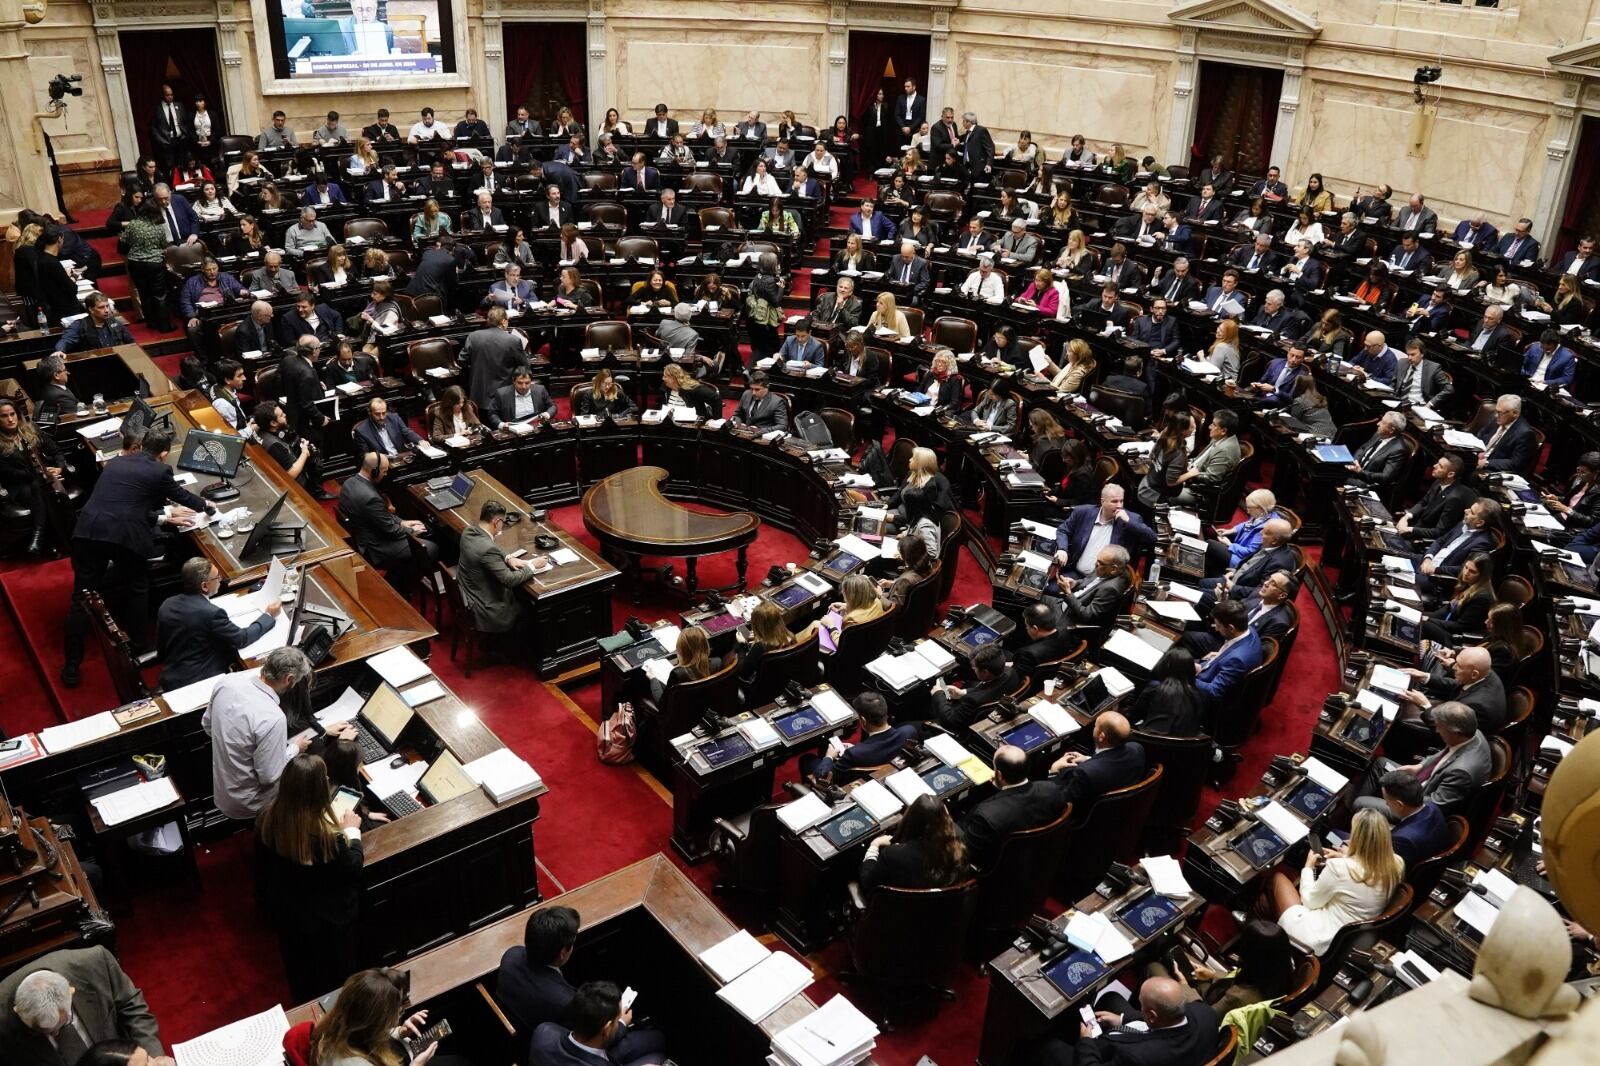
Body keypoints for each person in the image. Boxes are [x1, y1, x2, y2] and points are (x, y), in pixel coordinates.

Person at [60, 427, 215, 684]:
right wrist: (207, 506)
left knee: (81, 597)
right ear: (163, 455)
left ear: (142, 446)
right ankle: (140, 646)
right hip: (123, 537)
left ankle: (71, 667)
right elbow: (181, 496)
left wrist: (163, 517)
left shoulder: (116, 462)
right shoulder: (159, 470)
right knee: (137, 587)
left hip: (87, 530)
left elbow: (123, 503)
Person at [255, 754, 364, 1000]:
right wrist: (352, 832)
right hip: (327, 923)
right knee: (335, 980)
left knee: (302, 974)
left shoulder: (267, 818)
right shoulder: (326, 838)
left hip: (289, 916)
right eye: (324, 778)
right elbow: (352, 868)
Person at [498, 908, 667, 1065]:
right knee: (657, 1048)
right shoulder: (565, 1002)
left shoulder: (511, 956)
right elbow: (589, 1032)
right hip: (586, 1049)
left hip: (543, 1043)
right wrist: (621, 1023)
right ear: (563, 953)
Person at [0, 948, 169, 1066]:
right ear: (17, 1010)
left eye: (61, 1025)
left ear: (71, 992)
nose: (55, 1034)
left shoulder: (96, 962)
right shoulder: (2, 1016)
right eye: (44, 1031)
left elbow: (132, 1006)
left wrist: (152, 1059)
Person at [1268, 808, 1403, 956]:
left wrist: (1308, 867)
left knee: (1277, 879)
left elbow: (1310, 901)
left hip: (1321, 937)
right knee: (1269, 899)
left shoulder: (1340, 868)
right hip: (1352, 937)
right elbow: (1367, 869)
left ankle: (1265, 937)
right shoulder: (1397, 863)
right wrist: (1346, 857)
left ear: (1358, 839)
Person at [202, 646, 315, 822]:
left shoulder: (228, 682)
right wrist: (294, 748)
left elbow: (207, 725)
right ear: (289, 679)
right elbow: (269, 776)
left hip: (222, 789)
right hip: (251, 803)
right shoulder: (273, 718)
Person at [156, 558, 279, 690]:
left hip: (170, 677)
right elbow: (242, 638)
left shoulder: (167, 604)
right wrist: (268, 615)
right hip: (198, 683)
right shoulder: (211, 613)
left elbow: (161, 651)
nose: (220, 580)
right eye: (216, 577)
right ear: (204, 586)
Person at [956, 745, 1067, 873]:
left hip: (999, 874)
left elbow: (965, 853)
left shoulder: (986, 816)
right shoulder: (1052, 790)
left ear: (998, 774)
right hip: (1041, 862)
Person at [309, 968, 446, 1066]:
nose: (400, 1009)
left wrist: (399, 1032)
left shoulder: (339, 1029)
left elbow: (366, 1038)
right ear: (375, 1021)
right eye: (397, 1006)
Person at [341, 450, 439, 580]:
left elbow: (379, 515)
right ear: (374, 472)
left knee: (423, 535)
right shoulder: (370, 497)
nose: (385, 474)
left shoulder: (349, 482)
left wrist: (401, 522)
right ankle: (399, 582)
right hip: (375, 547)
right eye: (384, 471)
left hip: (367, 533)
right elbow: (391, 531)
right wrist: (411, 531)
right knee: (430, 548)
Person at [798, 691, 919, 790]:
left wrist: (829, 757)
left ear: (863, 720)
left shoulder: (854, 754)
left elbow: (824, 776)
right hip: (887, 780)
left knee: (806, 759)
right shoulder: (909, 732)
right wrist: (857, 748)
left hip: (853, 785)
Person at [530, 980, 665, 1066]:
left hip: (593, 1053)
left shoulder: (544, 1032)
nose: (619, 1023)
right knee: (657, 1058)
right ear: (606, 1029)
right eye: (617, 1021)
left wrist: (622, 1023)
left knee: (657, 1039)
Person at [860, 794, 965, 894]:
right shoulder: (959, 842)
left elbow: (867, 884)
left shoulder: (892, 855)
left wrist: (874, 846)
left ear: (911, 819)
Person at [1049, 711, 1146, 813]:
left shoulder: (1085, 773)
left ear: (1101, 736)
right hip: (1125, 808)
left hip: (1088, 817)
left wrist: (1054, 771)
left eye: (1095, 726)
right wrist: (1089, 759)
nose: (1094, 728)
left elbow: (1060, 801)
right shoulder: (1137, 748)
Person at [1053, 484, 1157, 576]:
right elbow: (1063, 530)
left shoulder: (1131, 519)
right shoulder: (1083, 512)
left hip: (1104, 580)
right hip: (1074, 572)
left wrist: (1128, 522)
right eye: (1114, 501)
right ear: (1103, 501)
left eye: (1121, 501)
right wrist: (1062, 549)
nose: (1119, 506)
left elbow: (1152, 538)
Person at [930, 643, 1020, 730]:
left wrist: (937, 694)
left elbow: (950, 721)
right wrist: (963, 692)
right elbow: (990, 689)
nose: (974, 670)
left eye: (974, 668)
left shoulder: (972, 700)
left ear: (985, 672)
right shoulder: (1011, 672)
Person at [1370, 769, 1449, 866]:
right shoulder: (1433, 807)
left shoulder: (1402, 839)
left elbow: (1383, 868)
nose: (1386, 803)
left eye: (1387, 800)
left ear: (1400, 805)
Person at [1195, 600, 1264, 705]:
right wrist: (1219, 655)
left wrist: (1186, 676)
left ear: (1231, 628)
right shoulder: (1249, 630)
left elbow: (1214, 692)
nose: (1216, 629)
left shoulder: (1238, 660)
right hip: (1209, 667)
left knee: (1161, 680)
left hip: (1202, 694)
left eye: (1218, 625)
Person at [801, 573, 887, 655]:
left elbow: (841, 644)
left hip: (849, 653)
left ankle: (793, 646)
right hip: (869, 642)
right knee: (817, 623)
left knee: (816, 625)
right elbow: (865, 608)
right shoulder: (877, 601)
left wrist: (831, 626)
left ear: (851, 596)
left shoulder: (852, 619)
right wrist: (846, 606)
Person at [1173, 410, 1242, 506]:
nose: (1209, 427)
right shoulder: (1219, 437)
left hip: (1200, 492)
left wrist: (1189, 474)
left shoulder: (1225, 450)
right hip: (1191, 474)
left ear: (1223, 431)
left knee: (1164, 490)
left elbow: (1212, 477)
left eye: (1213, 425)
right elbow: (1199, 459)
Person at [648, 626, 720, 704]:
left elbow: (662, 703)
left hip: (679, 711)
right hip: (704, 705)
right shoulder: (717, 662)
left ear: (682, 651)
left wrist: (653, 679)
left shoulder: (677, 674)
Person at [1011, 601, 1079, 678]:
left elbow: (1016, 678)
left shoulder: (1027, 654)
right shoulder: (1068, 633)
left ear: (1035, 628)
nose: (1026, 629)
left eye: (1027, 626)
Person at [352, 397, 423, 459]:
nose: (381, 417)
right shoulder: (361, 431)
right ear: (370, 412)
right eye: (377, 414)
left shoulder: (394, 418)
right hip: (382, 463)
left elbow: (406, 432)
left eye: (384, 413)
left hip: (401, 456)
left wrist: (420, 440)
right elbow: (365, 456)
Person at [487, 367, 557, 429]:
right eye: (520, 383)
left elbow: (552, 406)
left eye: (527, 383)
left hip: (536, 428)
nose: (524, 387)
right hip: (513, 430)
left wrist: (547, 414)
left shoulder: (540, 390)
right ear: (513, 381)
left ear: (531, 381)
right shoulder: (502, 394)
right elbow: (492, 413)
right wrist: (501, 424)